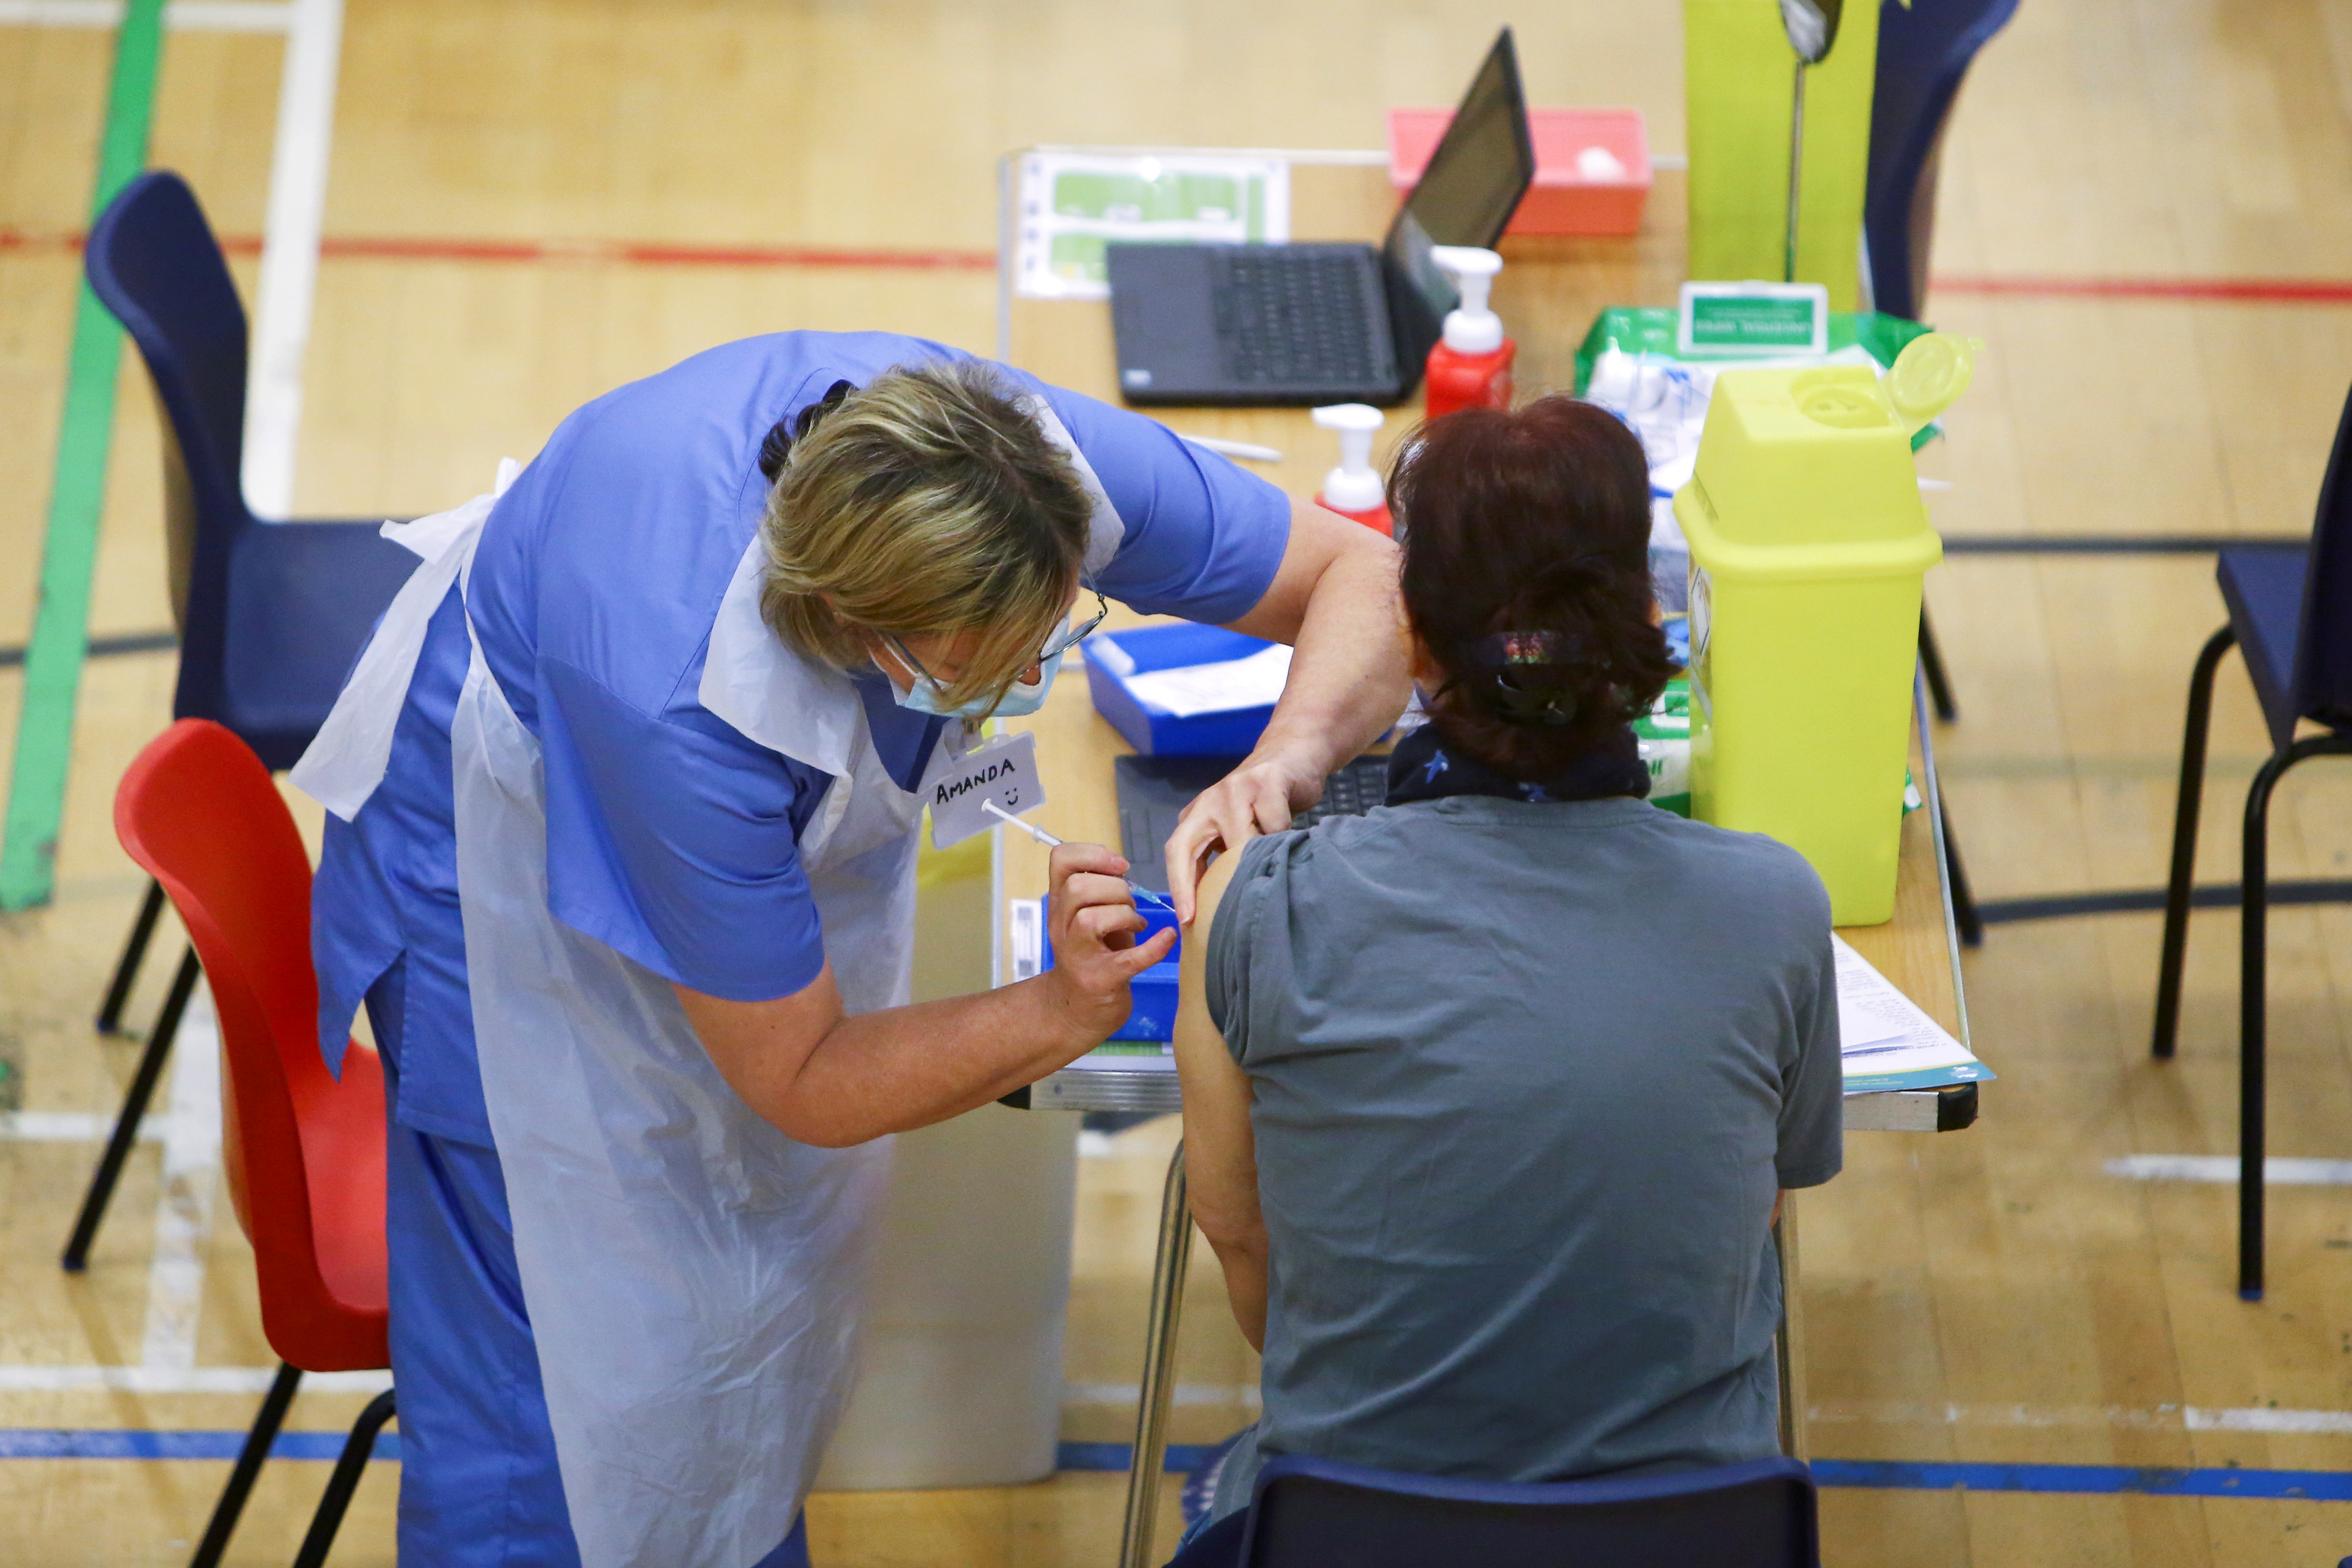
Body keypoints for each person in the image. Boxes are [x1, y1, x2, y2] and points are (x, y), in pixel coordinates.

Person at [290, 333, 1407, 1567]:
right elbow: (804, 1078)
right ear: (866, 635)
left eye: (1055, 625)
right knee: (558, 1371)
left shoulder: (1023, 462)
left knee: (729, 1303)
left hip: (675, 735)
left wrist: (1283, 766)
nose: (1039, 675)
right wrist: (1051, 1011)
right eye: (998, 658)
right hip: (490, 889)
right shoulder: (676, 707)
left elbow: (1361, 573)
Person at [1166, 396, 1844, 1564]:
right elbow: (1744, 1222)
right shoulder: (1776, 907)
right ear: (1650, 621)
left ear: (1415, 647)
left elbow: (1240, 1238)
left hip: (1351, 1534)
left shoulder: (1257, 902)